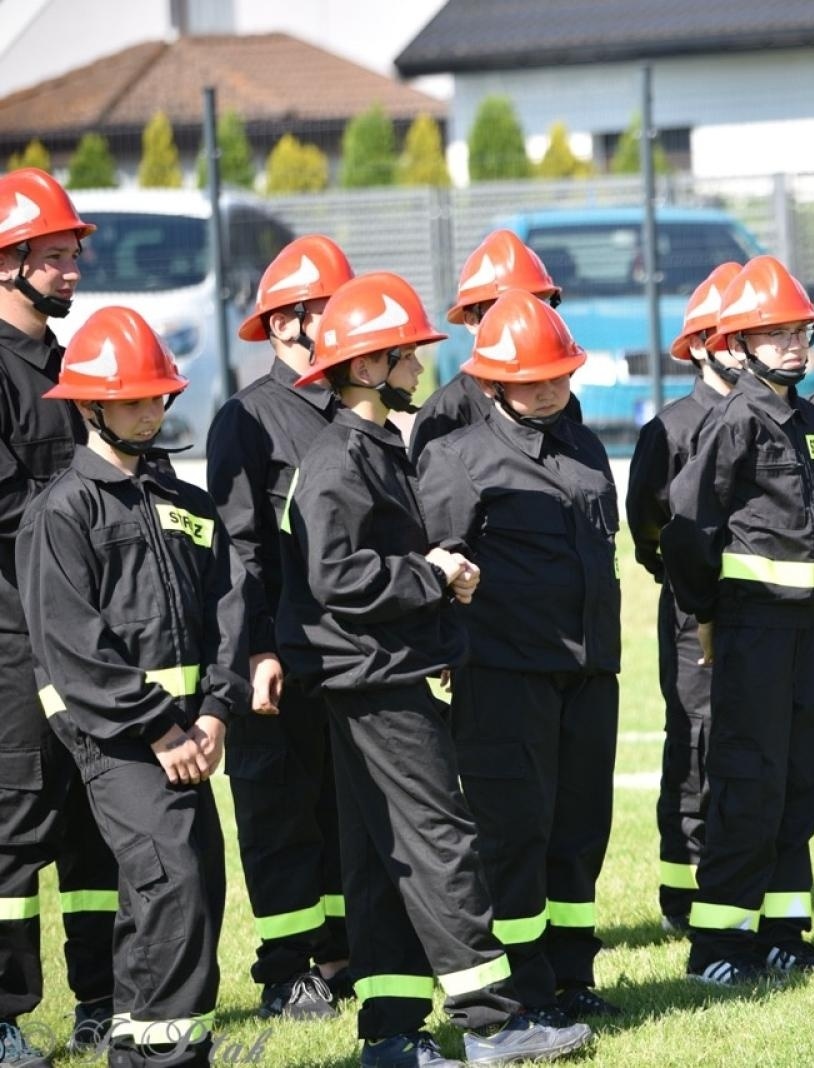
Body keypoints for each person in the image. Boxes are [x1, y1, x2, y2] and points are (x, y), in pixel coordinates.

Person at [276, 271, 592, 1066]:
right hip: (376, 680)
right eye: (409, 354)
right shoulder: (342, 459)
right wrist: (432, 575)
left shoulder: (370, 447)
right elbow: (336, 577)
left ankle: (389, 1033)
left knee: (385, 856)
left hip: (375, 673)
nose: (422, 365)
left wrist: (436, 577)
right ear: (372, 366)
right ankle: (494, 1024)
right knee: (444, 841)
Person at [18, 306, 247, 1068]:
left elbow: (226, 610)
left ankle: (162, 1048)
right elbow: (75, 645)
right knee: (170, 878)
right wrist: (161, 727)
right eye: (134, 399)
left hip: (189, 734)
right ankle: (154, 1058)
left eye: (158, 397)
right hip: (119, 737)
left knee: (197, 885)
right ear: (90, 405)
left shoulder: (185, 503)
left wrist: (214, 711)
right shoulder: (62, 511)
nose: (152, 411)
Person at [418, 291, 623, 1019]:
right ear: (491, 381)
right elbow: (434, 575)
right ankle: (523, 988)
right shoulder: (454, 460)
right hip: (505, 680)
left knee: (578, 834)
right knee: (514, 837)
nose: (548, 388)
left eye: (559, 375)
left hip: (590, 674)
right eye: (530, 377)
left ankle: (574, 977)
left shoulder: (586, 446)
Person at [661, 255, 814, 985]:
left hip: (801, 631)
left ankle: (783, 932)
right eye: (775, 334)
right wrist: (707, 615)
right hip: (751, 631)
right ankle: (718, 947)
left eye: (801, 332)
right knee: (746, 782)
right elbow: (686, 531)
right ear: (737, 345)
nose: (794, 346)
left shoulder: (804, 418)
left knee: (802, 773)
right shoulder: (734, 421)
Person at [206, 234, 355, 1021]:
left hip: (345, 654)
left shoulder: (352, 410)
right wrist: (257, 647)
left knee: (340, 810)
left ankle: (338, 953)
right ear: (290, 322)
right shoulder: (249, 419)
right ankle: (285, 970)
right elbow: (240, 550)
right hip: (278, 656)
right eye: (329, 309)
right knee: (278, 814)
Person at [0, 167, 118, 1066]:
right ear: (7, 262)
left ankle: (102, 1002)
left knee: (95, 817)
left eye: (75, 250)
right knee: (15, 822)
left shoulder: (74, 368)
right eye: (55, 253)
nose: (73, 264)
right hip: (11, 634)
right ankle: (2, 1016)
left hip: (88, 627)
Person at [625, 261, 743, 935]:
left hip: (762, 618)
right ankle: (682, 889)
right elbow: (645, 527)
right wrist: (687, 585)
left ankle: (736, 875)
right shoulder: (668, 430)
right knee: (695, 745)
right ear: (699, 345)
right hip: (691, 617)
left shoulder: (768, 416)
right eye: (726, 335)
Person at [409, 230, 563, 459]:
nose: (525, 318)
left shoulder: (558, 398)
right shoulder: (446, 412)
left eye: (536, 305)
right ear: (472, 320)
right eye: (504, 309)